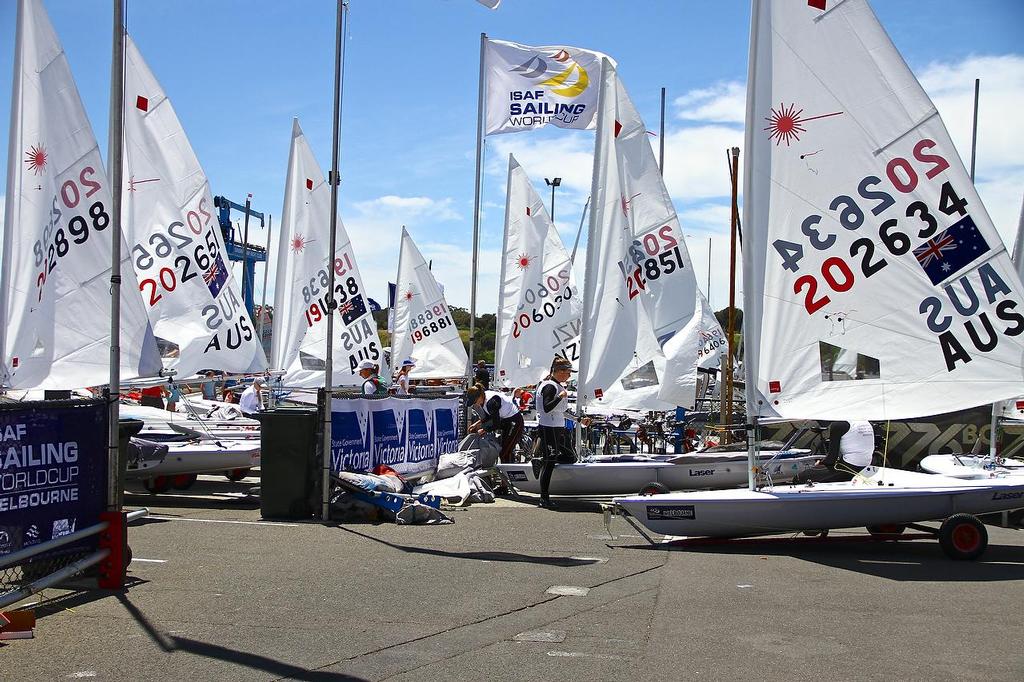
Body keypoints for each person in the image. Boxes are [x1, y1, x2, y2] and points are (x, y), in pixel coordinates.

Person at [535, 358, 576, 508]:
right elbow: (546, 407)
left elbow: (563, 411)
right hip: (549, 427)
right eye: (568, 372)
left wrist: (579, 419)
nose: (569, 376)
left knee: (570, 457)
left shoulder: (557, 386)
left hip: (558, 427)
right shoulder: (550, 387)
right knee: (550, 462)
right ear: (559, 371)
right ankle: (544, 498)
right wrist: (560, 397)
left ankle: (541, 460)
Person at [793, 420, 875, 484]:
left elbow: (831, 459)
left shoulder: (839, 424)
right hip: (865, 467)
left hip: (848, 468)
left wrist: (820, 463)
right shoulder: (866, 422)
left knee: (800, 477)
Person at [466, 383, 523, 465]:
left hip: (515, 421)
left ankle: (509, 474)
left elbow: (496, 423)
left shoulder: (491, 402)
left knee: (505, 452)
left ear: (479, 397)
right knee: (504, 449)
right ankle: (507, 470)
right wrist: (477, 424)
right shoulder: (484, 398)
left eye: (474, 402)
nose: (475, 404)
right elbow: (489, 416)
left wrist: (484, 430)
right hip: (505, 420)